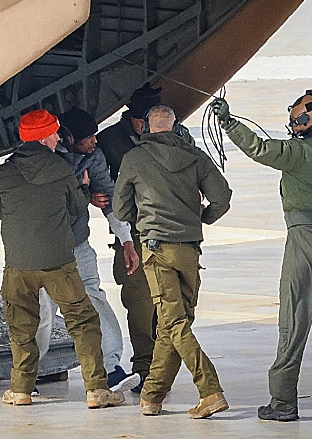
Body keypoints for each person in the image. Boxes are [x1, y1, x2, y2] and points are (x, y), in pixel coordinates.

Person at [212, 90, 312, 422]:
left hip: (305, 243)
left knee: (294, 325)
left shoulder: (296, 153)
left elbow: (257, 148)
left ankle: (283, 403)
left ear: (301, 122)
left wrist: (228, 122)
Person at [0, 109, 125, 409]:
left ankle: (22, 390)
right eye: (53, 133)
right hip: (58, 263)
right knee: (83, 322)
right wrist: (86, 188)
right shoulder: (61, 168)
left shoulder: (3, 172)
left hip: (17, 265)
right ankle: (96, 389)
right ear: (43, 138)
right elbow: (77, 206)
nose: (57, 138)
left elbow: (0, 210)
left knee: (22, 326)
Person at [114, 105, 232, 419]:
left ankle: (210, 391)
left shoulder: (134, 159)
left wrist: (144, 215)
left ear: (145, 130)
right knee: (174, 323)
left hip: (156, 250)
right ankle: (152, 397)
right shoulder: (195, 157)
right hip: (190, 250)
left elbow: (121, 210)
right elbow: (222, 197)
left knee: (174, 323)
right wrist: (200, 218)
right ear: (177, 129)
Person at [35, 107, 139, 393]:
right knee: (44, 309)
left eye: (95, 135)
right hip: (46, 250)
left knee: (95, 299)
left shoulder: (93, 157)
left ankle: (110, 367)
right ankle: (29, 372)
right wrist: (83, 193)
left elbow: (109, 199)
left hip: (78, 245)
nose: (94, 141)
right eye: (87, 137)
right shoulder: (43, 160)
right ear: (68, 138)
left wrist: (126, 240)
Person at [95, 83, 161, 388]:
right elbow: (95, 176)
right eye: (142, 120)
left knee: (173, 304)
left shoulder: (173, 133)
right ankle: (146, 366)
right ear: (130, 117)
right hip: (132, 230)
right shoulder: (110, 140)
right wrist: (93, 194)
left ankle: (162, 364)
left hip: (168, 228)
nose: (148, 126)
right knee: (140, 301)